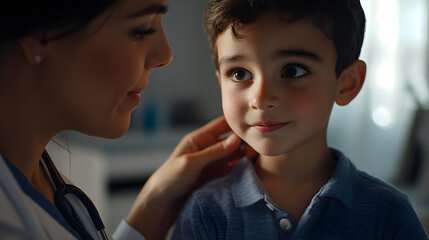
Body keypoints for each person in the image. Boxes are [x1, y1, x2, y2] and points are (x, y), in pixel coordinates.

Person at [172, 0, 429, 239]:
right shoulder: (206, 213)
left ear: (346, 84)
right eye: (239, 73)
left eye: (292, 70)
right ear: (220, 81)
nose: (260, 99)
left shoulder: (388, 213)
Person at [0, 0, 252, 239]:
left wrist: (155, 203)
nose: (165, 55)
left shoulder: (40, 179)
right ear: (40, 34)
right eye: (141, 30)